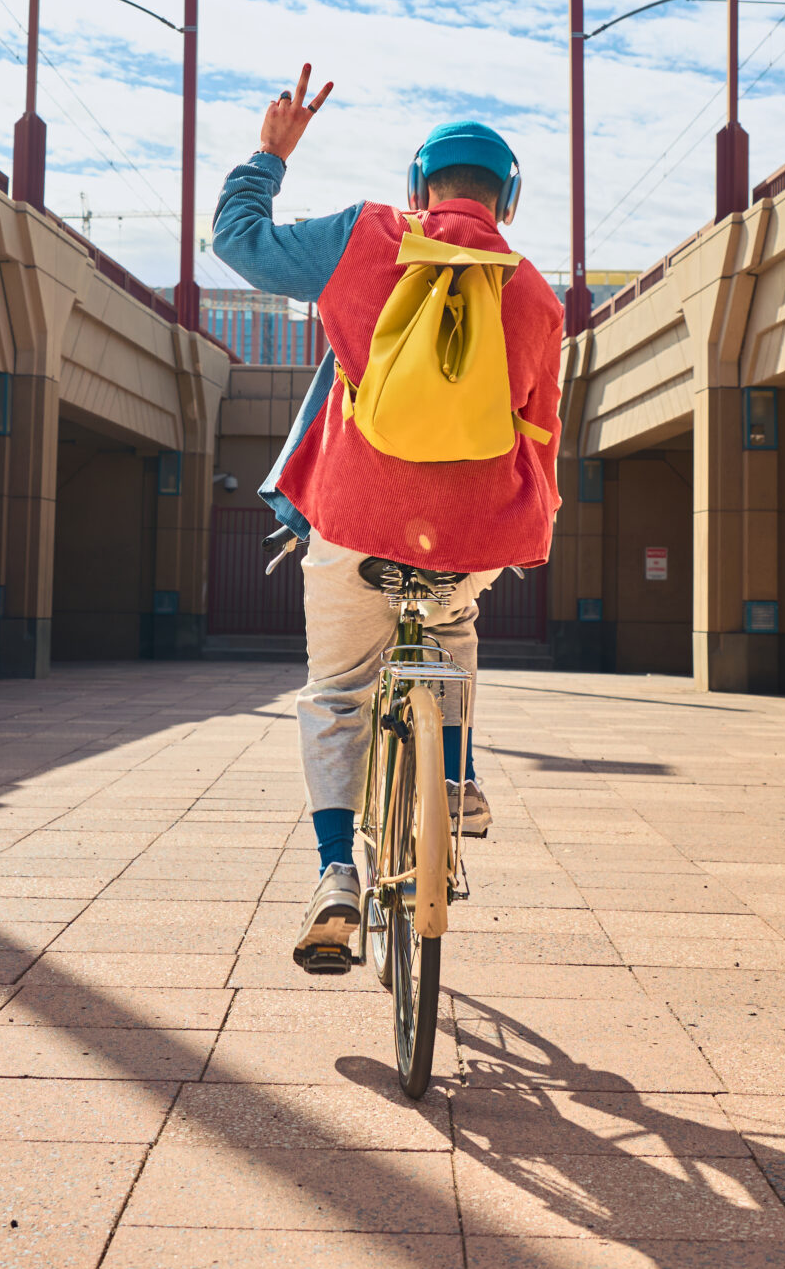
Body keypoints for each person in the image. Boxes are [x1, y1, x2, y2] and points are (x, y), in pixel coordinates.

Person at [211, 65, 565, 974]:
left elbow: (236, 241)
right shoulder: (532, 294)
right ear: (507, 203)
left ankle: (336, 874)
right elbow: (540, 434)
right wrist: (524, 532)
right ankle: (456, 776)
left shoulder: (366, 236)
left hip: (355, 519)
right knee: (455, 623)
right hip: (475, 531)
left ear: (421, 189)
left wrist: (270, 154)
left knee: (336, 693)